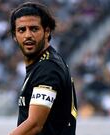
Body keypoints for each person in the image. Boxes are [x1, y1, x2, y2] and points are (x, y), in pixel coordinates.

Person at [9, 1, 78, 135]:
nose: (28, 35)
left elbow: (35, 124)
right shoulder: (44, 64)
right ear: (14, 36)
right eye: (21, 30)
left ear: (47, 31)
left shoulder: (48, 68)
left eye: (34, 29)